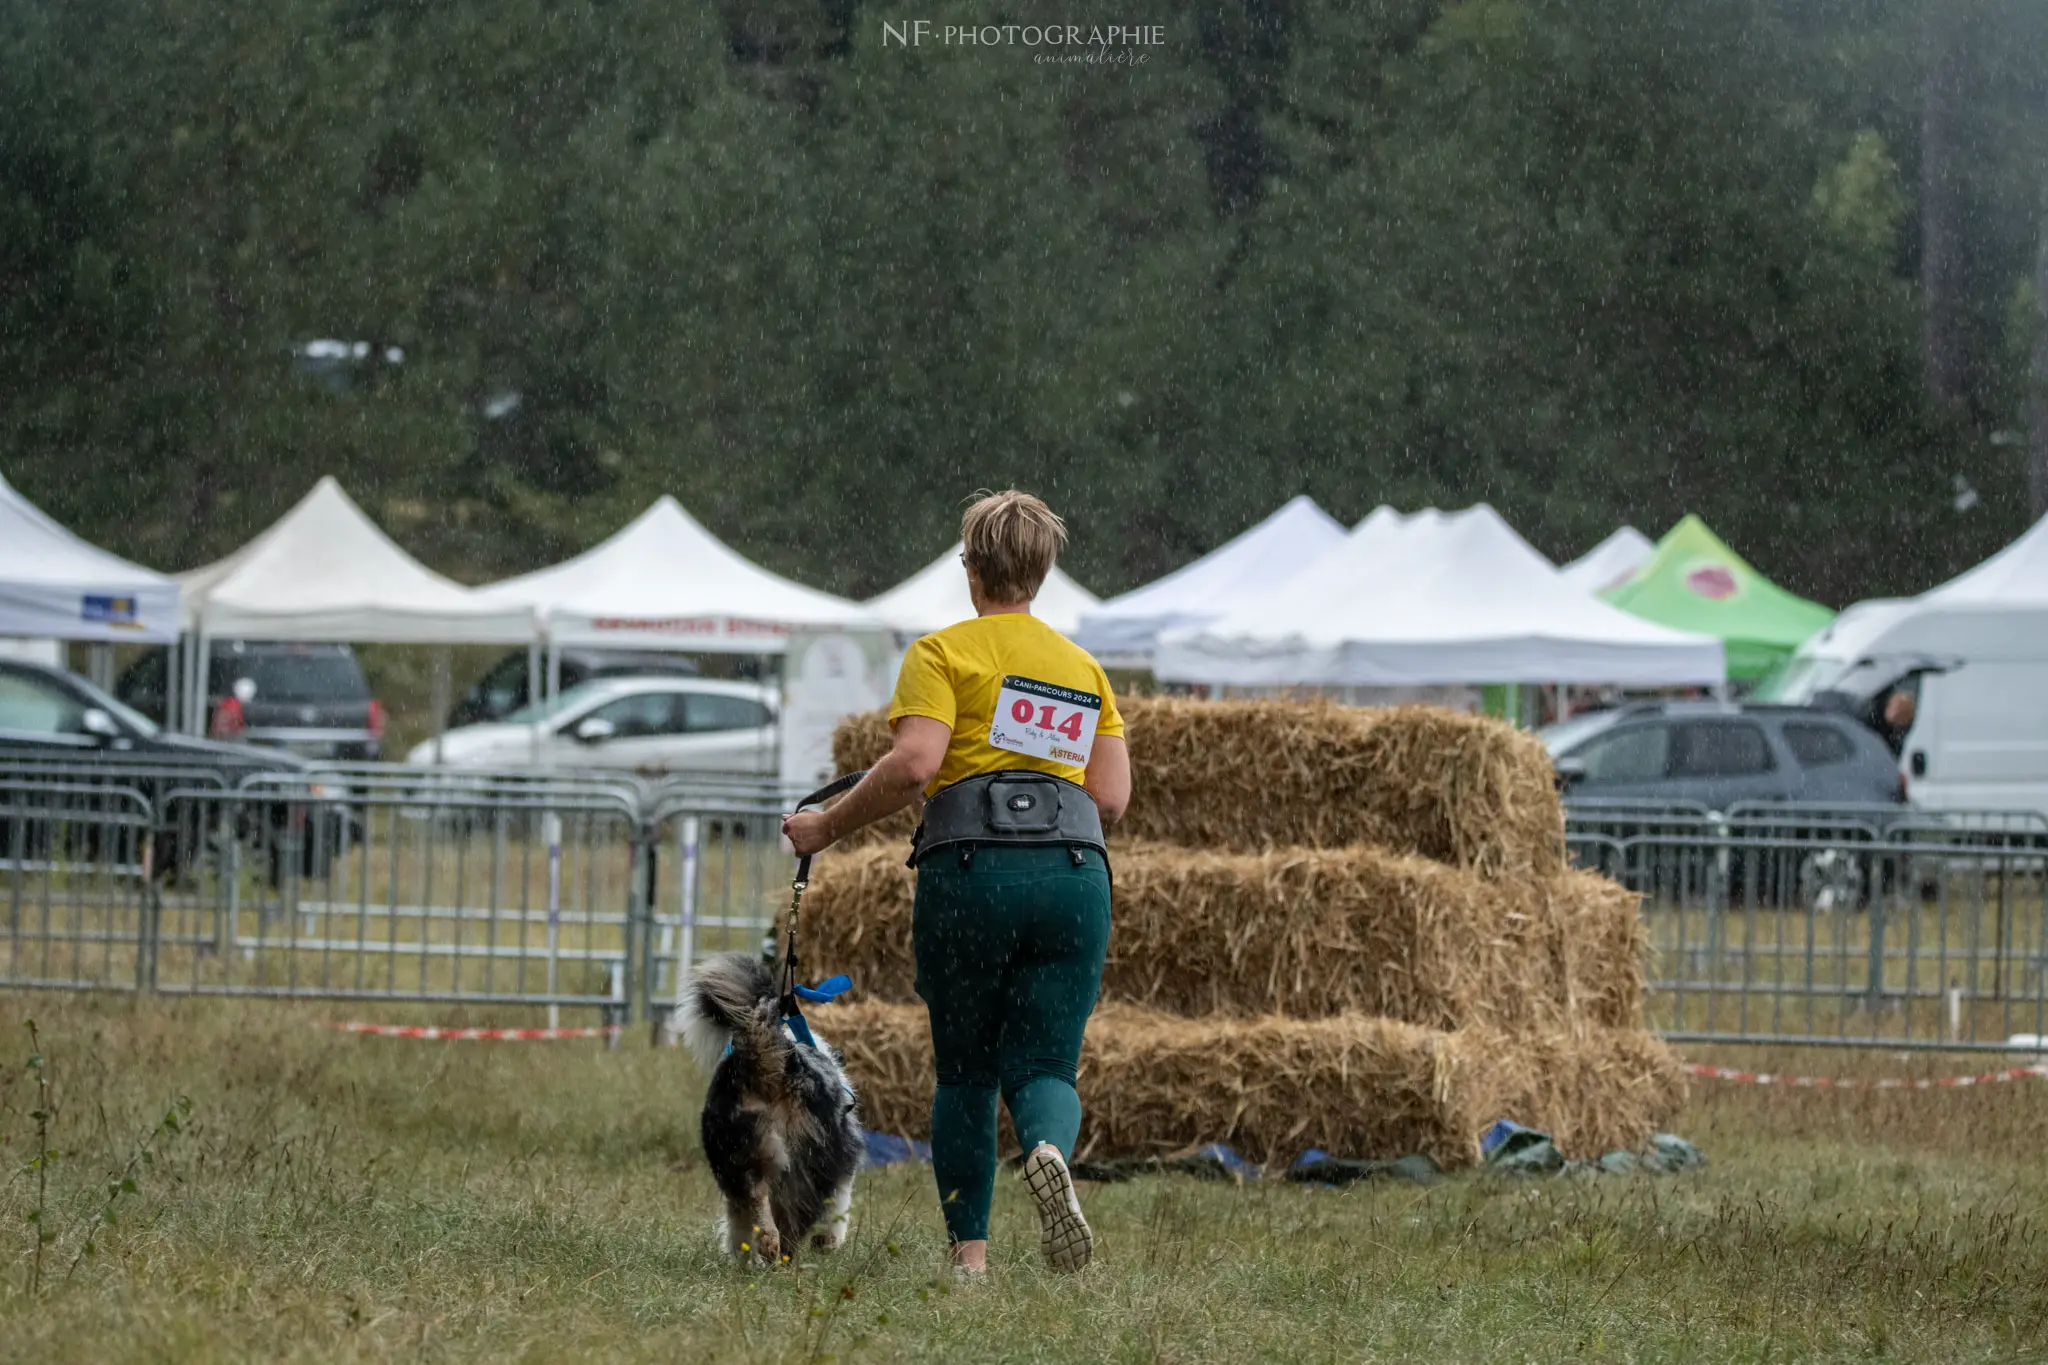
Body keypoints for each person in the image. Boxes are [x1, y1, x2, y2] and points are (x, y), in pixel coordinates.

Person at [781, 490, 1130, 1279]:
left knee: (967, 1069)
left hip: (971, 871)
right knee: (1045, 1064)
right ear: (1042, 572)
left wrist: (824, 826)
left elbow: (914, 765)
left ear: (972, 570)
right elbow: (1110, 797)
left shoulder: (942, 654)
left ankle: (969, 1260)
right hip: (1074, 875)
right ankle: (1046, 1149)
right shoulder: (1082, 668)